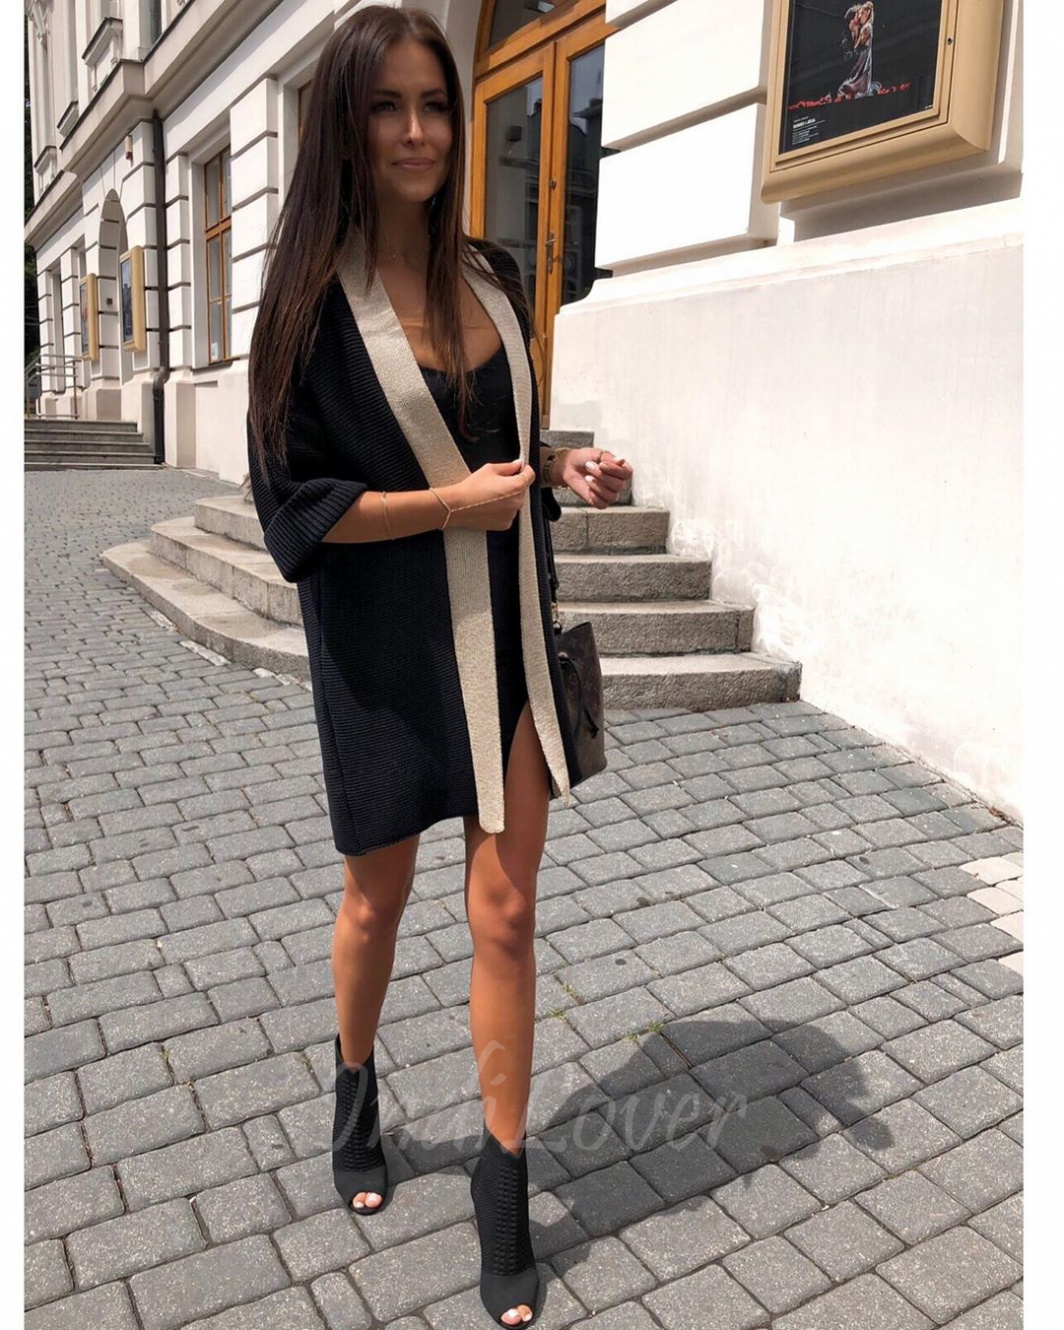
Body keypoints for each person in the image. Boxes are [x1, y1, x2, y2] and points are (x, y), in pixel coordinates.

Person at [245, 7, 633, 1325]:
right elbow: (294, 511)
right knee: (379, 900)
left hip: (505, 645)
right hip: (384, 658)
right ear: (345, 124)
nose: (417, 132)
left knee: (506, 914)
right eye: (387, 107)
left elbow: (497, 441)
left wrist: (560, 466)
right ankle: (353, 1081)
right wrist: (450, 507)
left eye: (435, 105)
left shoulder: (494, 275)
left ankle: (502, 1179)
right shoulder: (307, 305)